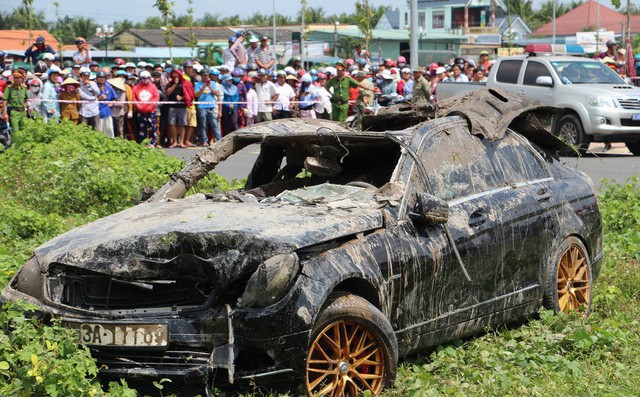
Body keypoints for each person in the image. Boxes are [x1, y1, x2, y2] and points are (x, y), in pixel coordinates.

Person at [194, 68, 223, 146]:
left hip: (211, 106)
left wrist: (210, 87)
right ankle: (204, 141)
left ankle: (219, 140)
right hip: (201, 106)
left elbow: (216, 93)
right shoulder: (197, 84)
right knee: (203, 124)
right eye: (203, 75)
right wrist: (203, 87)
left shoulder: (213, 83)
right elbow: (196, 95)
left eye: (206, 75)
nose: (205, 77)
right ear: (201, 76)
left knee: (214, 124)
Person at [132, 70, 160, 147]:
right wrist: (137, 105)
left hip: (151, 111)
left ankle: (152, 143)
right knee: (141, 128)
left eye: (146, 78)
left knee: (152, 127)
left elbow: (156, 97)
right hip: (141, 111)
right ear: (140, 79)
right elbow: (134, 98)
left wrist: (151, 105)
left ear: (149, 78)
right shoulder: (136, 88)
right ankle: (142, 143)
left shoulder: (153, 87)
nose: (145, 80)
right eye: (143, 78)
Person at [166, 69, 192, 148]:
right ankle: (175, 141)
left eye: (177, 73)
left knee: (182, 124)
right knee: (172, 124)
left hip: (182, 106)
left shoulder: (185, 83)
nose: (175, 75)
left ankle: (181, 142)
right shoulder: (170, 83)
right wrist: (175, 84)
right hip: (172, 107)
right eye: (174, 73)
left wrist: (182, 97)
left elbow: (190, 94)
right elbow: (168, 93)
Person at [95, 71, 117, 138]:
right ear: (97, 78)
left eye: (103, 77)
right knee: (99, 129)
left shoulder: (108, 87)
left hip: (107, 111)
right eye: (100, 77)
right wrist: (99, 98)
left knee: (109, 128)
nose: (101, 79)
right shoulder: (95, 87)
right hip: (98, 111)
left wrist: (112, 102)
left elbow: (114, 97)